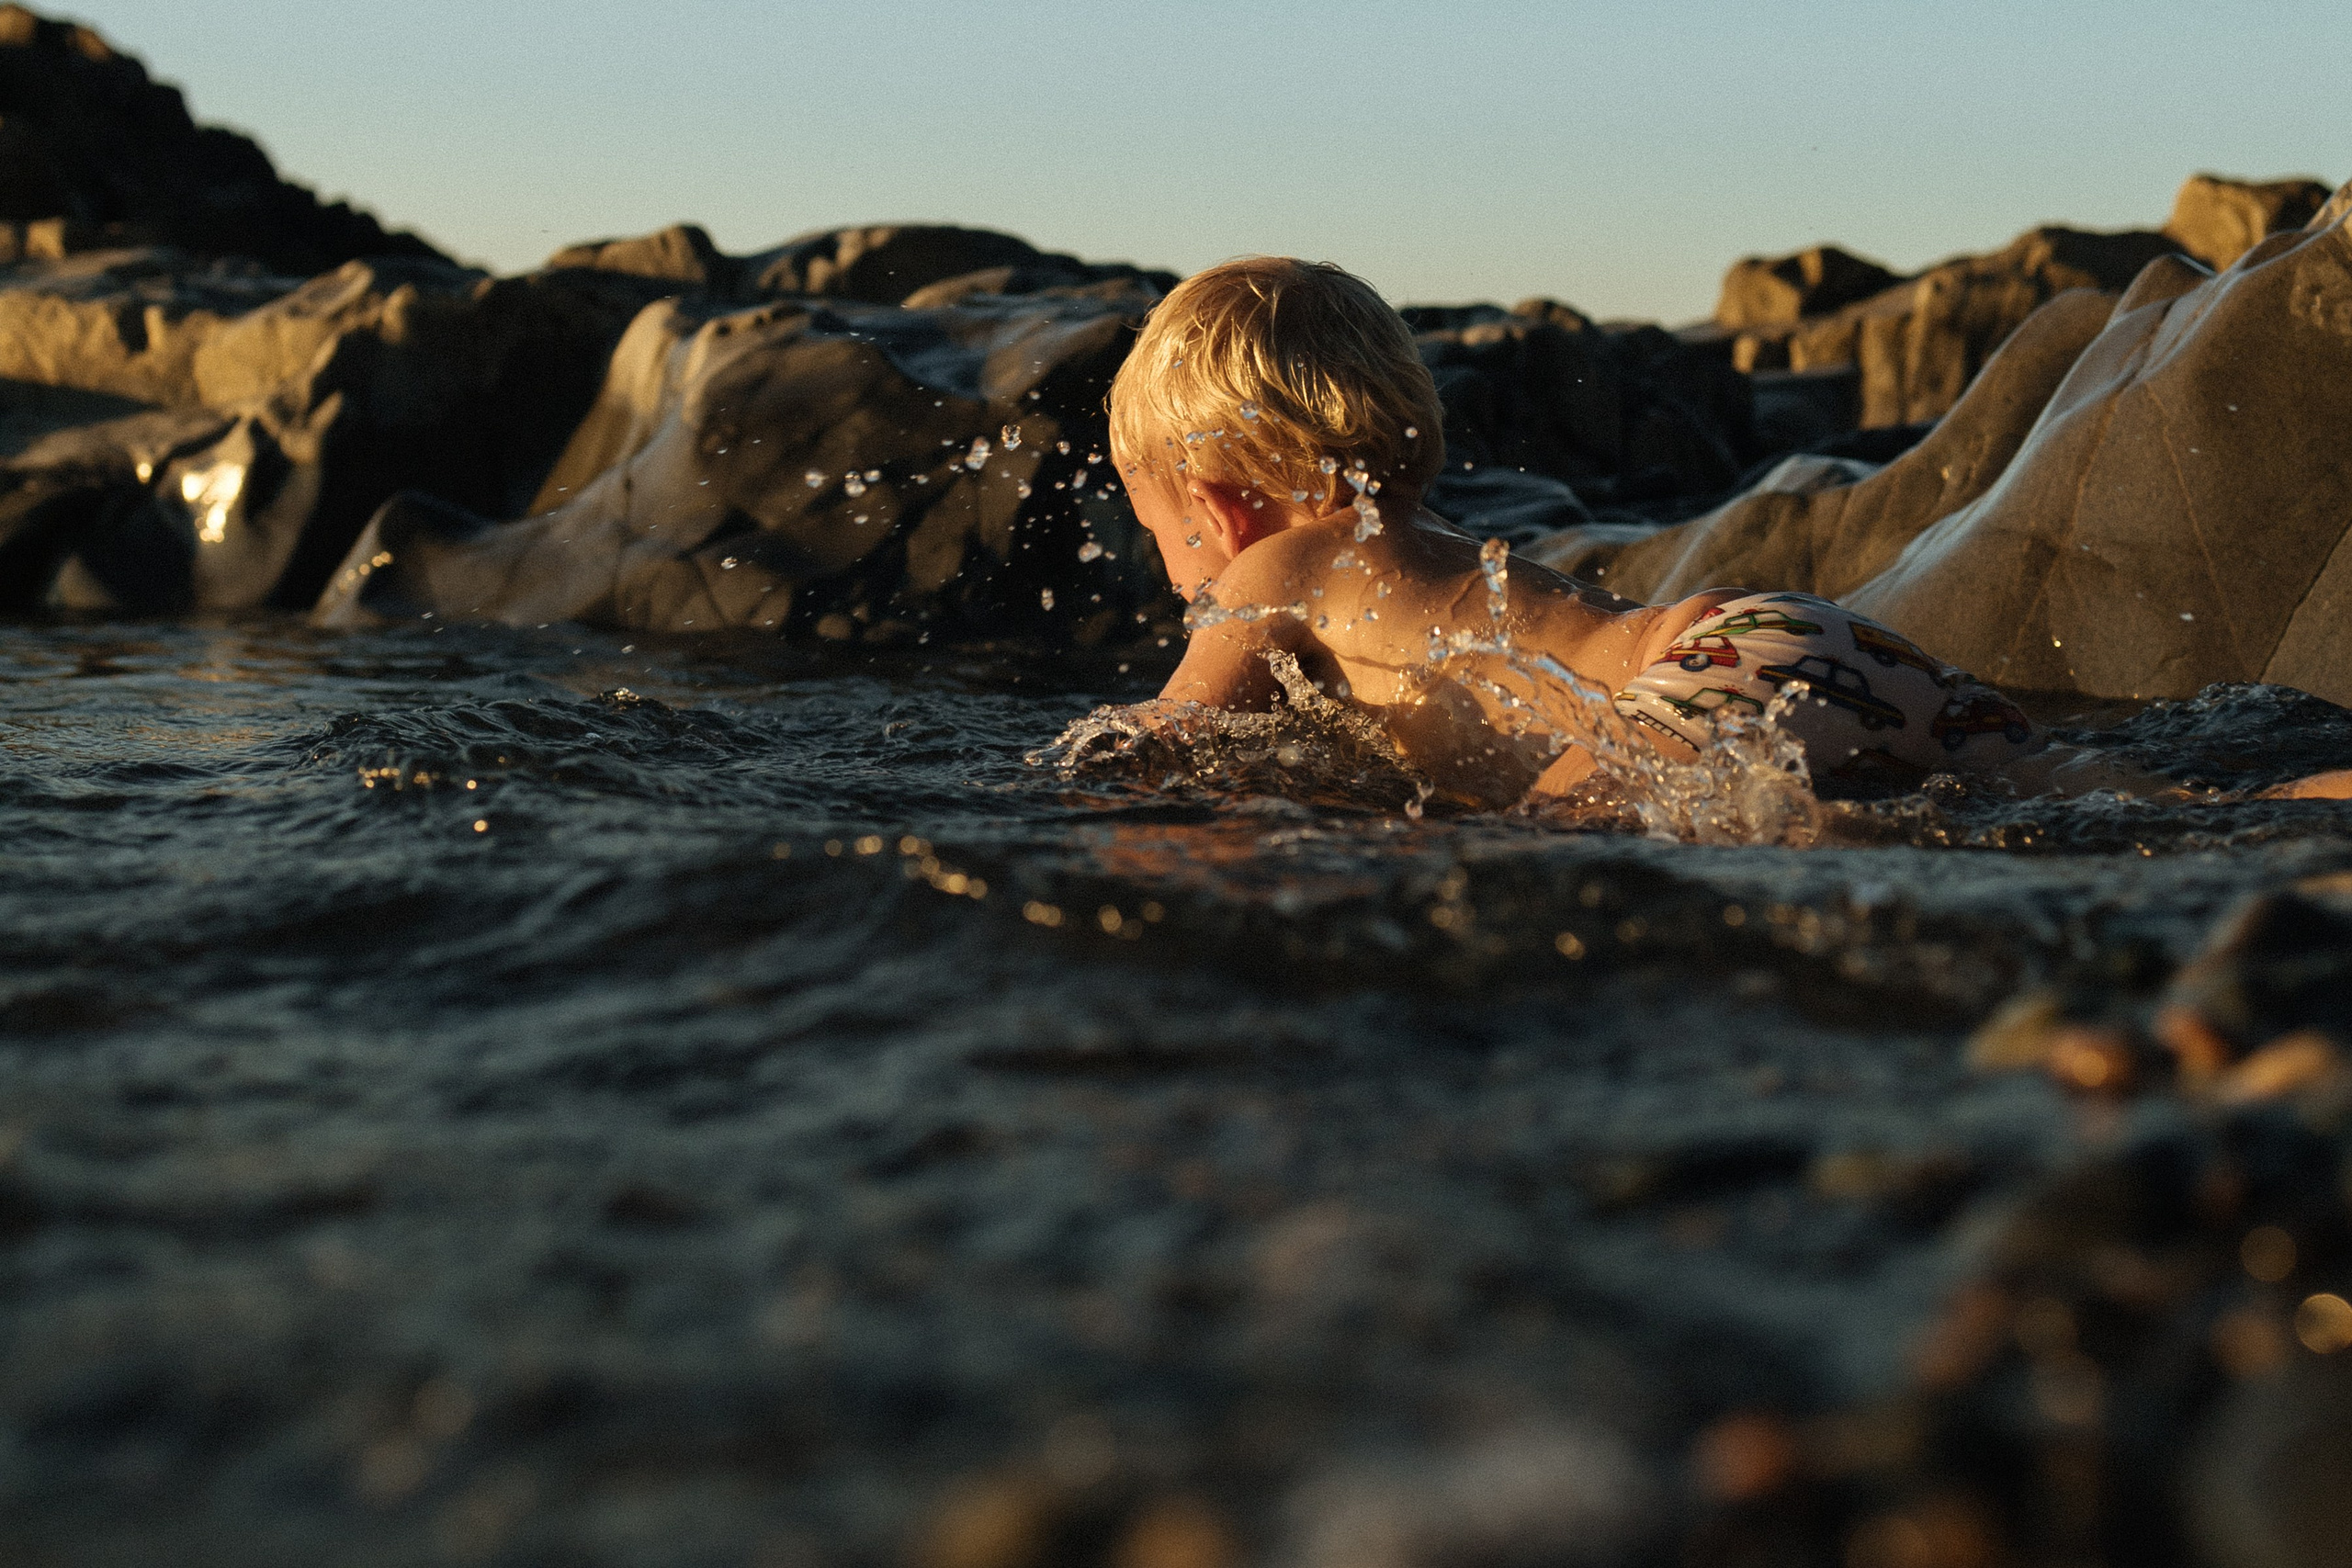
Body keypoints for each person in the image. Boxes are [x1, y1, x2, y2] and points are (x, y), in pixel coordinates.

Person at [1105, 257, 2352, 807]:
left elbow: (1159, 738)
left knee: (1559, 851)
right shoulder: (1425, 559)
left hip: (1703, 683)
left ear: (1217, 506)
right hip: (1787, 638)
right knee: (2158, 801)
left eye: (1157, 528)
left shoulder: (1275, 570)